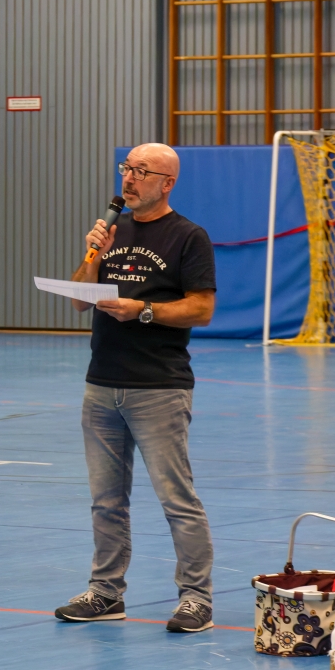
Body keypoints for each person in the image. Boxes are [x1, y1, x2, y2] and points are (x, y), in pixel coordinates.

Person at [53, 143, 217, 632]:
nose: (129, 178)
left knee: (177, 499)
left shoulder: (188, 236)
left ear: (167, 183)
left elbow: (202, 309)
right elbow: (80, 300)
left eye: (141, 172)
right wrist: (94, 258)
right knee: (106, 500)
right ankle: (106, 592)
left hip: (158, 387)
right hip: (102, 383)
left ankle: (196, 598)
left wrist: (142, 310)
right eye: (127, 168)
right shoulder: (113, 230)